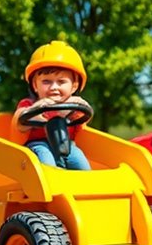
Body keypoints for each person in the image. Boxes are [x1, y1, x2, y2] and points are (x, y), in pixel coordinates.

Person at [13, 40, 93, 169]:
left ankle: (85, 186)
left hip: (67, 144)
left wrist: (81, 107)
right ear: (35, 85)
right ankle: (52, 184)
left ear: (74, 86)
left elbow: (84, 119)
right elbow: (19, 122)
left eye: (61, 82)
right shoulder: (29, 103)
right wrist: (37, 109)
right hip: (38, 145)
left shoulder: (73, 105)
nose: (54, 87)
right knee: (45, 156)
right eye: (46, 82)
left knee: (80, 159)